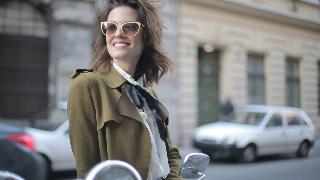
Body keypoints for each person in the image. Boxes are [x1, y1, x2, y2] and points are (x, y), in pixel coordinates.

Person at [67, 0, 182, 179]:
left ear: (146, 35)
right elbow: (88, 172)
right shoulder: (87, 85)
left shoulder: (147, 92)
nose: (118, 33)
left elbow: (170, 153)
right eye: (111, 27)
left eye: (129, 27)